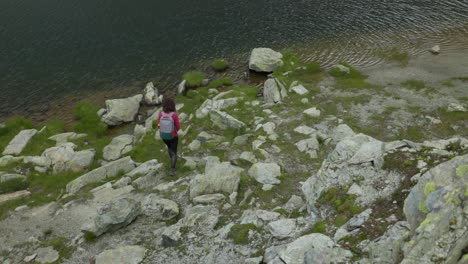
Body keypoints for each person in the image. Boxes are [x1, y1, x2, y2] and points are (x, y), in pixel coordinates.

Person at [158, 96, 181, 176]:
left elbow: (159, 126)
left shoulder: (161, 114)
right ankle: (172, 169)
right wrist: (174, 131)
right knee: (174, 152)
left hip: (164, 136)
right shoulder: (174, 115)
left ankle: (171, 159)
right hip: (173, 136)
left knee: (169, 147)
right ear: (172, 105)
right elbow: (178, 127)